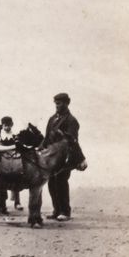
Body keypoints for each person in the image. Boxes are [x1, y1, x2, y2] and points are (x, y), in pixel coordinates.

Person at [45, 92, 81, 221]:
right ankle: (56, 210)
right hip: (50, 157)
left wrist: (62, 134)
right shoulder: (52, 118)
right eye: (55, 103)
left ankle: (65, 212)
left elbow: (72, 140)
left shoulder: (72, 121)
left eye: (59, 104)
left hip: (65, 158)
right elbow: (46, 138)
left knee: (61, 182)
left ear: (67, 103)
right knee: (51, 183)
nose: (57, 106)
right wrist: (40, 149)